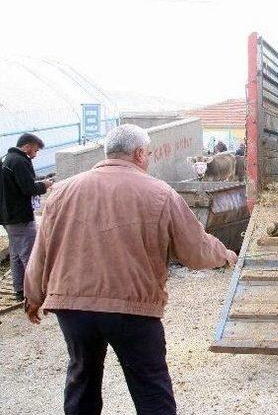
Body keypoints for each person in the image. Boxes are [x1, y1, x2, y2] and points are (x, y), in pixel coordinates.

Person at [23, 124, 238, 415]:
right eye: (147, 153)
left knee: (81, 381)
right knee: (150, 387)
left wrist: (33, 295)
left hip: (73, 307)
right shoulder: (159, 192)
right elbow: (194, 249)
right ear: (138, 154)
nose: (148, 158)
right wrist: (224, 254)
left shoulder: (62, 191)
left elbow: (42, 249)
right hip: (132, 308)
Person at [0, 133, 53, 301]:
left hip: (7, 216)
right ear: (28, 146)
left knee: (16, 254)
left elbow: (20, 182)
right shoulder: (20, 161)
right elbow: (28, 188)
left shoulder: (7, 159)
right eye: (35, 150)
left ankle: (20, 290)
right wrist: (44, 185)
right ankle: (34, 292)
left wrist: (39, 180)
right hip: (20, 216)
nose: (35, 155)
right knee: (29, 254)